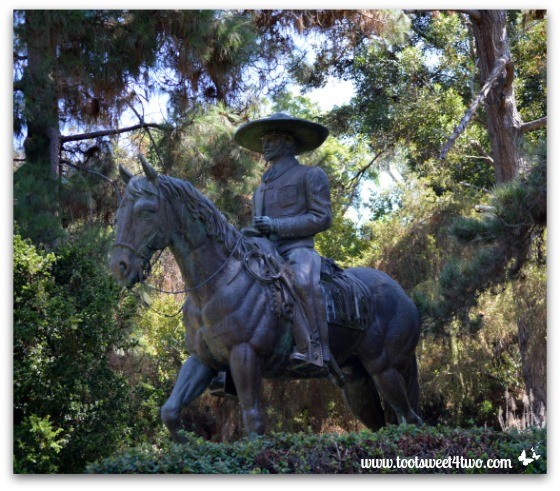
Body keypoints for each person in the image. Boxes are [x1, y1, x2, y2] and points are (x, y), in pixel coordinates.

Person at [234, 113, 332, 369]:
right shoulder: (261, 188)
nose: (265, 144)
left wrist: (278, 225)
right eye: (264, 139)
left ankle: (315, 351)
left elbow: (322, 218)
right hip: (265, 252)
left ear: (289, 142)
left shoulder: (310, 175)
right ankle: (231, 365)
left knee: (301, 280)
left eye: (272, 138)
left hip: (297, 250)